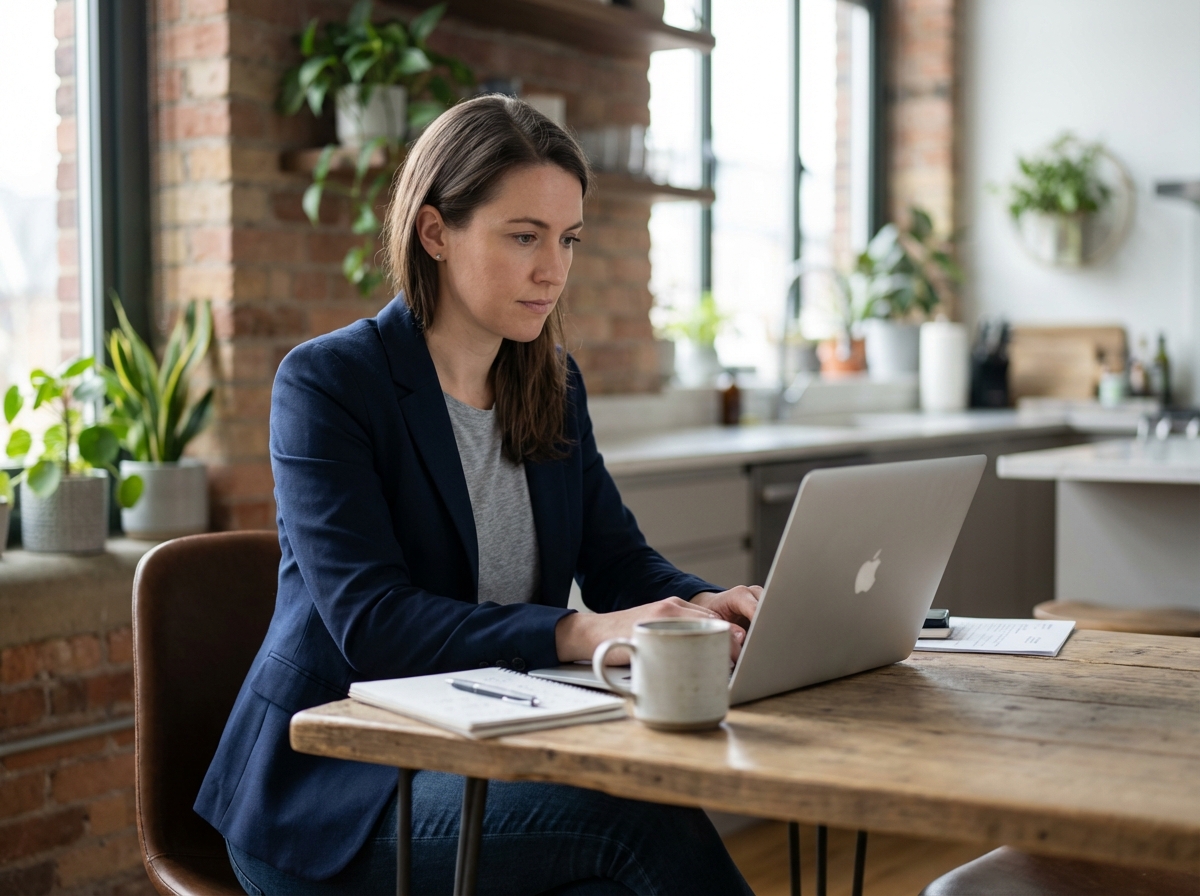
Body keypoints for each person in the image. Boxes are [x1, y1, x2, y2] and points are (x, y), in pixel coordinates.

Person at [195, 95, 761, 896]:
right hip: (336, 789)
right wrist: (578, 631)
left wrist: (713, 607)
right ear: (435, 233)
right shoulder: (328, 384)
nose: (553, 270)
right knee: (643, 820)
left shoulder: (552, 386)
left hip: (488, 746)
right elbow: (374, 623)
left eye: (566, 240)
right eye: (524, 237)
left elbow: (617, 562)